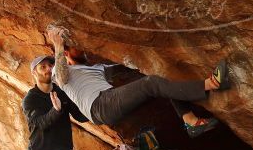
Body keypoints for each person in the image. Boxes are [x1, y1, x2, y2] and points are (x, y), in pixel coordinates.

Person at [47, 27, 231, 138]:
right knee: (151, 83)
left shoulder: (96, 68)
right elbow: (62, 78)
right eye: (73, 47)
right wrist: (58, 46)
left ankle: (190, 122)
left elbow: (126, 67)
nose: (79, 47)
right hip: (99, 105)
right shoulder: (60, 70)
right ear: (66, 54)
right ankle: (212, 84)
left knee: (159, 81)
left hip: (108, 101)